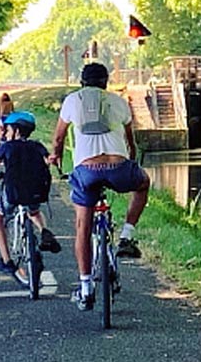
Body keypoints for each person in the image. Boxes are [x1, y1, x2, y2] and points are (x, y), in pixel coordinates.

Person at [49, 61, 149, 311]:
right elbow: (130, 141)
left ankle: (85, 288)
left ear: (82, 82)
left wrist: (57, 156)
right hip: (118, 168)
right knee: (143, 183)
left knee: (83, 225)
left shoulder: (72, 101)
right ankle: (127, 235)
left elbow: (59, 137)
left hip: (87, 171)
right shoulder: (118, 101)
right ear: (106, 81)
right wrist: (132, 161)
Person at [0, 109, 61, 274]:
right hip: (35, 191)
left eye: (8, 129)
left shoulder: (6, 148)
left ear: (16, 130)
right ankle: (44, 230)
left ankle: (6, 260)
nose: (6, 133)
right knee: (34, 211)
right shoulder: (37, 146)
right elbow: (47, 162)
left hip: (13, 192)